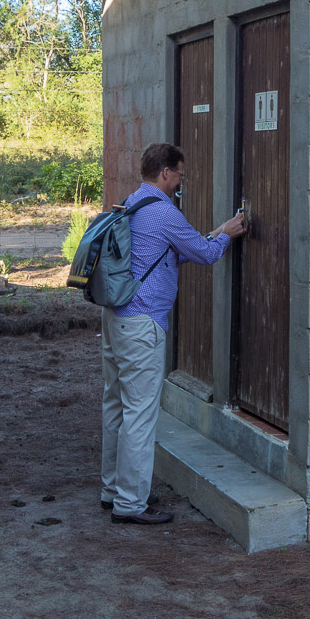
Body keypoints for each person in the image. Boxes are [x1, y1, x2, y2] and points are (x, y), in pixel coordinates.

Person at [102, 142, 247, 524]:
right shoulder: (164, 212)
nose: (181, 182)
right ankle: (130, 505)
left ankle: (112, 490)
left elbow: (176, 250)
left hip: (116, 320)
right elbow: (205, 254)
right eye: (180, 174)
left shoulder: (133, 202)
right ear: (165, 172)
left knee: (116, 406)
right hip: (142, 324)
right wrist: (228, 234)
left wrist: (217, 231)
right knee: (140, 414)